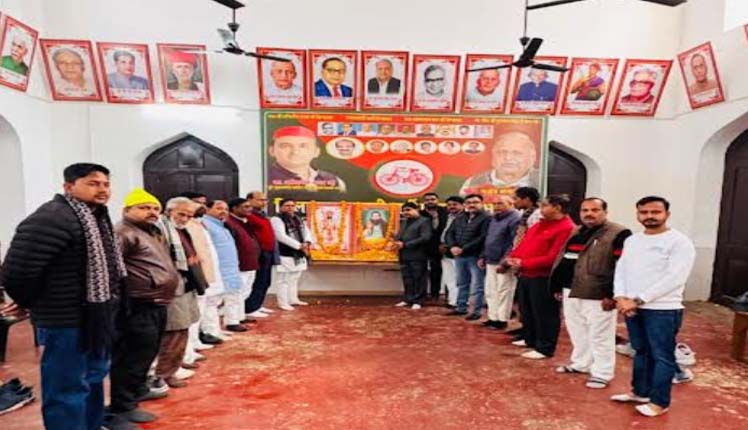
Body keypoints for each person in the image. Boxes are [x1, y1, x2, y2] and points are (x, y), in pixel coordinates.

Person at [1, 163, 125, 430]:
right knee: (67, 388)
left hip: (96, 317)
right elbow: (17, 272)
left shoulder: (96, 218)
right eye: (92, 183)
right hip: (65, 319)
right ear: (69, 186)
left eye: (106, 184)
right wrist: (31, 302)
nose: (102, 189)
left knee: (93, 379)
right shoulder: (52, 218)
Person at [611, 196, 695, 418]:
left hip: (663, 309)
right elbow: (621, 269)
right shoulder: (633, 240)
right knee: (640, 351)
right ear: (638, 214)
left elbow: (675, 277)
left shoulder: (679, 242)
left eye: (655, 212)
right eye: (644, 212)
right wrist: (620, 296)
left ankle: (659, 402)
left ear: (667, 214)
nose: (649, 216)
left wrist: (639, 299)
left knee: (662, 356)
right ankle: (640, 392)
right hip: (632, 307)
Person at [111, 188, 180, 424]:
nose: (151, 212)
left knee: (146, 352)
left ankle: (138, 390)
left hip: (154, 302)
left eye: (154, 208)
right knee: (131, 357)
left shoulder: (148, 232)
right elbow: (113, 271)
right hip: (137, 305)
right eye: (144, 207)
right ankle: (122, 407)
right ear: (127, 210)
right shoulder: (123, 233)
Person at [551, 198, 631, 389]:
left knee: (600, 335)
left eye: (595, 210)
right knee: (577, 330)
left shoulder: (619, 233)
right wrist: (557, 285)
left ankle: (602, 373)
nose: (589, 214)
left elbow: (622, 266)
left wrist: (612, 294)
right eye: (585, 210)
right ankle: (581, 363)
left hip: (598, 292)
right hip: (571, 289)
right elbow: (566, 258)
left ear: (605, 212)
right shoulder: (577, 231)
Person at [506, 194, 575, 360]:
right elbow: (523, 244)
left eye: (544, 206)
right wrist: (513, 258)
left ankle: (545, 347)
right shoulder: (539, 224)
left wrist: (523, 263)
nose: (540, 209)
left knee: (544, 313)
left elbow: (554, 257)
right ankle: (530, 338)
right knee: (527, 309)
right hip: (526, 273)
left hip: (544, 277)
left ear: (557, 208)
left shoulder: (566, 228)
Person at [154, 197, 203, 389]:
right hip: (171, 288)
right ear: (168, 212)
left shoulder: (179, 230)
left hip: (185, 284)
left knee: (182, 329)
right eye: (181, 214)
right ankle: (164, 374)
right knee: (174, 330)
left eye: (189, 216)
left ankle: (174, 366)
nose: (184, 219)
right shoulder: (160, 230)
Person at [202, 200, 245, 336]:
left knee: (232, 297)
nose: (223, 211)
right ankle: (211, 332)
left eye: (226, 209)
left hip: (230, 269)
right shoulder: (205, 224)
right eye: (219, 208)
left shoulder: (222, 225)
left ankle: (230, 323)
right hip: (218, 269)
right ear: (207, 209)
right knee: (212, 302)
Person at [445, 194, 490, 320]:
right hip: (459, 256)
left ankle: (476, 311)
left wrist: (463, 248)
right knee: (461, 283)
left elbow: (483, 237)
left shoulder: (487, 218)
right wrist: (452, 246)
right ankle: (461, 308)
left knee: (477, 285)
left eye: (475, 202)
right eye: (469, 202)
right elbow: (449, 233)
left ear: (481, 203)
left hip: (475, 256)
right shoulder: (460, 217)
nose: (471, 205)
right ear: (465, 204)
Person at [479, 195, 521, 330]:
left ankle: (502, 319)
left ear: (511, 204)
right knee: (490, 290)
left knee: (504, 290)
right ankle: (493, 317)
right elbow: (488, 239)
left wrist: (505, 261)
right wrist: (483, 256)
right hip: (490, 259)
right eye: (495, 204)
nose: (496, 206)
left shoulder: (515, 219)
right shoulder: (494, 219)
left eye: (500, 203)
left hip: (504, 262)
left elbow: (514, 242)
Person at [268, 125, 346, 191]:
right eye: (286, 146)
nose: (295, 152)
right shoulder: (264, 178)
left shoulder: (333, 180)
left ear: (316, 152)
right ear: (272, 151)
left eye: (303, 146)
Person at [460, 132, 539, 194]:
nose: (508, 158)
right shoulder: (474, 181)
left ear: (532, 157)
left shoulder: (542, 179)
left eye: (516, 153)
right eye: (502, 152)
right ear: (493, 156)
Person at [223, 198, 260, 330]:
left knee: (245, 292)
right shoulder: (229, 223)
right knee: (235, 294)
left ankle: (240, 316)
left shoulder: (244, 222)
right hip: (239, 264)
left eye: (250, 207)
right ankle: (232, 322)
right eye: (245, 207)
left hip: (250, 263)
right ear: (234, 208)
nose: (249, 209)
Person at [270, 199, 313, 310]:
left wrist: (307, 242)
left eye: (292, 205)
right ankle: (283, 303)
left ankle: (293, 299)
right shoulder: (276, 219)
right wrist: (299, 246)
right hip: (285, 252)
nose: (290, 208)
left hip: (299, 253)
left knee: (294, 278)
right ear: (281, 207)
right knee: (283, 279)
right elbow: (281, 236)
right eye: (287, 205)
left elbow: (307, 231)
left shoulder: (297, 218)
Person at [393, 202, 433, 310]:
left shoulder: (424, 221)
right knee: (407, 278)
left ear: (417, 209)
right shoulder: (404, 221)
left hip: (418, 255)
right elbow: (400, 236)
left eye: (408, 210)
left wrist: (406, 244)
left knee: (418, 278)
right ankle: (408, 299)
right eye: (404, 210)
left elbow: (425, 237)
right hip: (404, 255)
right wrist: (396, 239)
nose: (406, 212)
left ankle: (418, 300)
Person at [244, 191, 278, 318]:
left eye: (265, 200)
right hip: (259, 253)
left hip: (268, 251)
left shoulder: (262, 215)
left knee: (265, 281)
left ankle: (258, 305)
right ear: (249, 200)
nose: (264, 202)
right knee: (258, 281)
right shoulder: (248, 216)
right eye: (260, 200)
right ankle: (250, 308)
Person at [420, 193, 448, 300]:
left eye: (432, 199)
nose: (430, 201)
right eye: (427, 200)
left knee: (440, 271)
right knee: (423, 271)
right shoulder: (420, 213)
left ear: (437, 200)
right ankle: (423, 295)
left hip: (442, 246)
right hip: (424, 246)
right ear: (424, 202)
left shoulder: (445, 212)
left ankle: (438, 295)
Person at [439, 196, 465, 307]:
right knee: (449, 278)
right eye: (449, 205)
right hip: (445, 252)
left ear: (462, 205)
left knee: (460, 278)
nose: (451, 207)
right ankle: (453, 301)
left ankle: (462, 301)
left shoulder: (466, 217)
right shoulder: (446, 216)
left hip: (458, 251)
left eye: (455, 204)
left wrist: (450, 246)